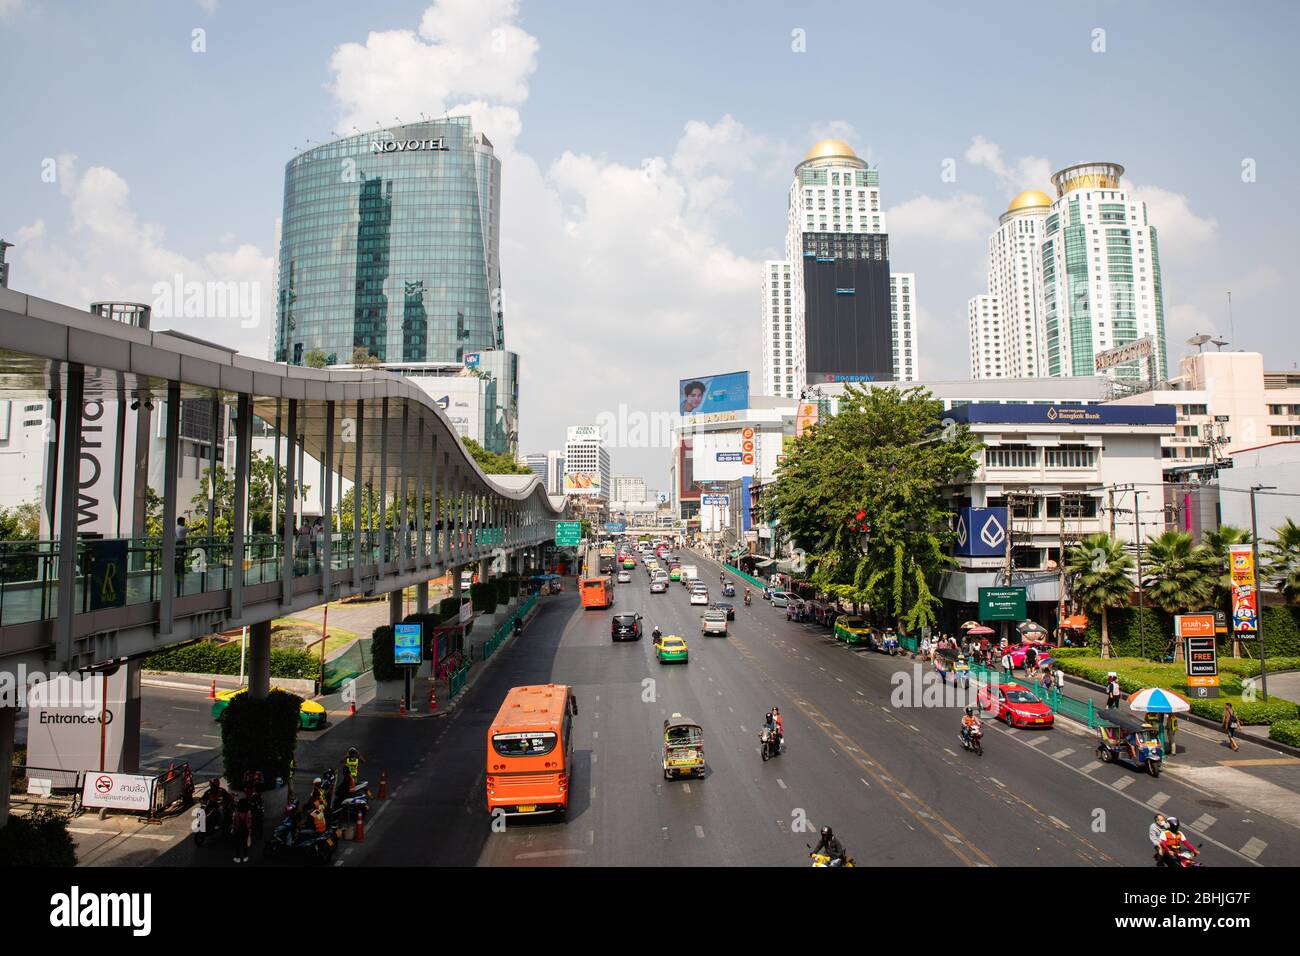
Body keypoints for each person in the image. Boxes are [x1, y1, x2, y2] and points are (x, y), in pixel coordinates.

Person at [231, 797, 252, 863]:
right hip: (245, 830)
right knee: (245, 844)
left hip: (238, 830)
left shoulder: (236, 813)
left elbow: (234, 822)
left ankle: (238, 858)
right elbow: (250, 822)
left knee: (237, 844)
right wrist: (249, 828)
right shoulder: (248, 812)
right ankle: (245, 857)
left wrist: (233, 828)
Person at [173, 516, 188, 595]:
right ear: (181, 522)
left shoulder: (176, 528)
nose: (184, 523)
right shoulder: (182, 528)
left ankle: (178, 569)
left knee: (178, 557)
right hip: (182, 544)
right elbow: (192, 530)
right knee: (182, 557)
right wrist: (200, 527)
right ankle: (180, 569)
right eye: (184, 521)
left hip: (177, 544)